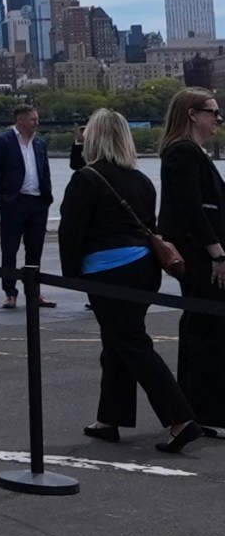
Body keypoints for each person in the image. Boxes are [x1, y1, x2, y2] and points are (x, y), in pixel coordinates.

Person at [61, 106, 198, 453]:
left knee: (132, 343)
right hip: (143, 268)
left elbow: (71, 232)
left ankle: (180, 419)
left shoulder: (86, 179)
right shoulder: (141, 180)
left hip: (108, 272)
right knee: (119, 341)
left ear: (91, 137)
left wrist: (70, 276)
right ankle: (110, 418)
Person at [155, 88, 225, 431]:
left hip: (200, 250)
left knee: (204, 325)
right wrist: (216, 251)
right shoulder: (183, 153)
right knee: (206, 328)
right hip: (200, 253)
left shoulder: (190, 153)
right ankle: (203, 409)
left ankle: (199, 406)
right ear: (192, 114)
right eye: (212, 111)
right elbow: (191, 208)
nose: (217, 118)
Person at [0, 103, 52, 313]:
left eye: (37, 119)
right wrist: (0, 198)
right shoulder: (3, 141)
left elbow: (45, 170)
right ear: (20, 120)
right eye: (33, 119)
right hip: (14, 202)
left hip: (37, 202)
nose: (37, 123)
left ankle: (34, 291)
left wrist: (47, 196)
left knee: (35, 250)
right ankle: (10, 292)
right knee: (9, 249)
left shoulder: (40, 143)